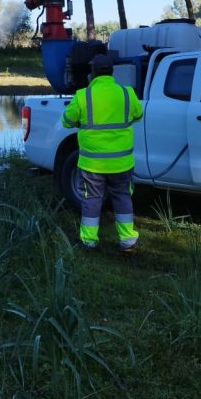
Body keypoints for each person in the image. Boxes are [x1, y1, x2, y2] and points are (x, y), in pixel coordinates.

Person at [61, 53, 144, 251]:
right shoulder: (127, 93)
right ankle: (127, 241)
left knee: (92, 199)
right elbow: (138, 115)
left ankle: (89, 240)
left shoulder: (83, 96)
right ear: (112, 72)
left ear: (93, 73)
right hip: (122, 163)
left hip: (92, 164)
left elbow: (66, 121)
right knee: (122, 197)